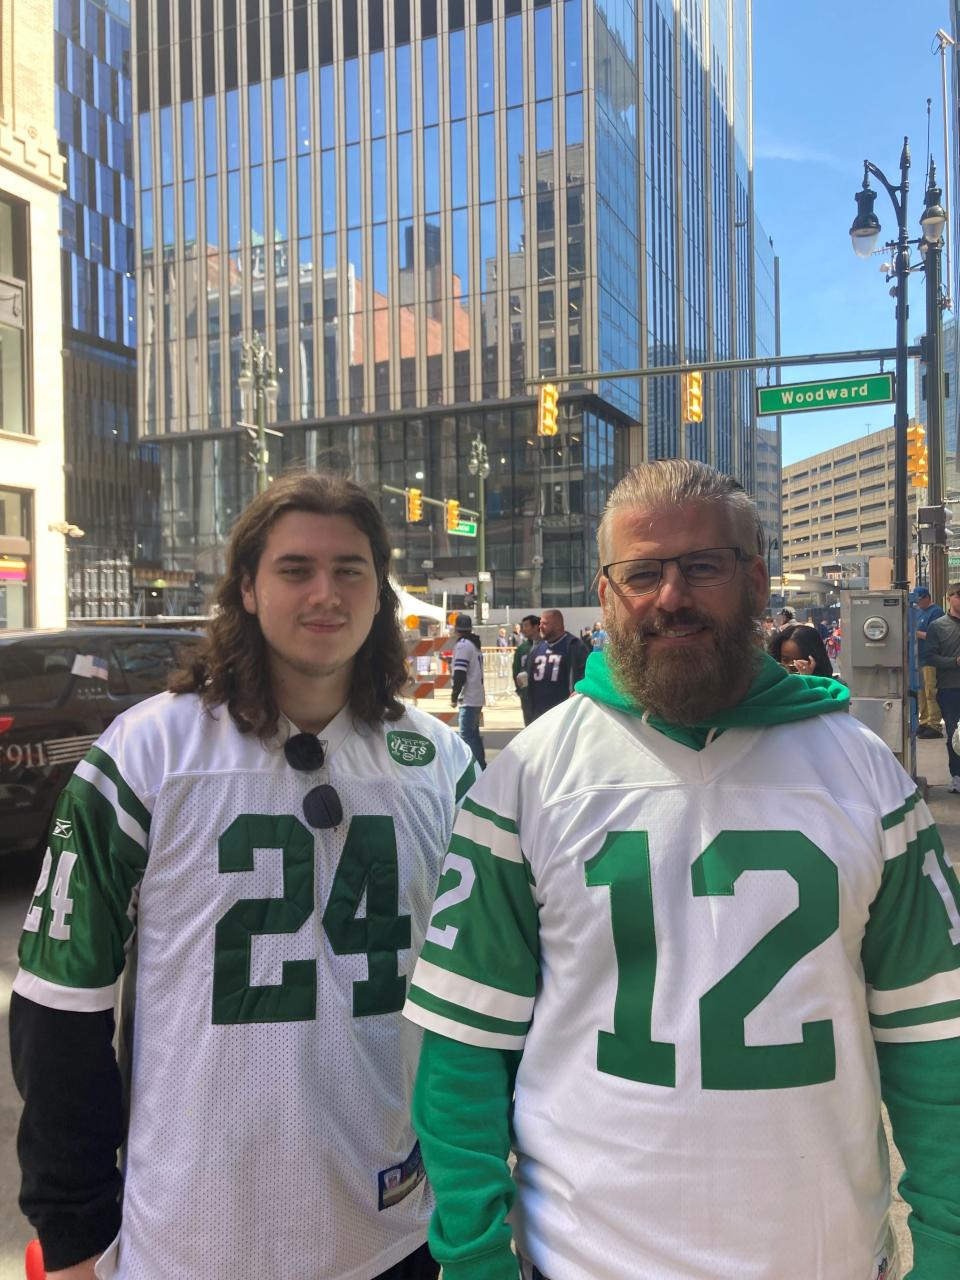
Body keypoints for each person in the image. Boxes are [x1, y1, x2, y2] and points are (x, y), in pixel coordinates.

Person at [404, 459, 960, 1280]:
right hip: (583, 1260)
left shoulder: (863, 773)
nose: (671, 597)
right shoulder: (528, 778)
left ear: (757, 578)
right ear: (607, 594)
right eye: (644, 573)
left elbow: (932, 1038)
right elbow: (463, 1048)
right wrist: (476, 1259)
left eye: (702, 566)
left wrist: (946, 1248)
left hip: (823, 1255)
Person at [11, 471, 477, 1280]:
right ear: (249, 591)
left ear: (380, 594)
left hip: (395, 1231)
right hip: (194, 1231)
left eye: (351, 570)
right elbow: (60, 1008)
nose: (325, 593)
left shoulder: (440, 762)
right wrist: (76, 1227)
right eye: (296, 569)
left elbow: (482, 998)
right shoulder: (147, 752)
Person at [923, 583, 960, 791]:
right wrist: (954, 662)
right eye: (959, 595)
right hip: (950, 688)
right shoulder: (938, 626)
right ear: (949, 598)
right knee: (955, 734)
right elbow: (930, 657)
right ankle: (957, 775)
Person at [525, 609, 589, 722]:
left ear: (558, 625)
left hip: (563, 714)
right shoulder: (536, 648)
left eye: (545, 623)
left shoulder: (574, 646)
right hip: (538, 715)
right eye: (540, 623)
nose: (540, 627)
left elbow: (584, 676)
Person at [450, 612, 486, 770]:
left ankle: (476, 768)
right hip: (477, 695)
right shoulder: (474, 644)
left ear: (456, 629)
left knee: (467, 736)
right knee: (474, 735)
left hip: (468, 697)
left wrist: (454, 695)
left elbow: (460, 673)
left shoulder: (463, 645)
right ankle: (481, 767)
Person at [913, 587, 945, 738]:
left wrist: (916, 633)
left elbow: (935, 636)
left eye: (920, 600)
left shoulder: (936, 612)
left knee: (931, 691)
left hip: (930, 658)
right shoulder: (919, 612)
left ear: (927, 598)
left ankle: (934, 724)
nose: (918, 604)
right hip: (919, 657)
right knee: (921, 692)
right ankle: (924, 720)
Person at [768, 619, 835, 678]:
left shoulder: (834, 688)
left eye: (799, 661)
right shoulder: (774, 685)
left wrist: (808, 679)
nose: (791, 666)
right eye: (785, 660)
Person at [511, 614, 540, 727]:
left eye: (526, 626)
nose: (523, 629)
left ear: (536, 626)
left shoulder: (546, 645)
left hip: (543, 693)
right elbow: (516, 670)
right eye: (522, 626)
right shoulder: (522, 649)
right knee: (529, 725)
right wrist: (520, 690)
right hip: (526, 694)